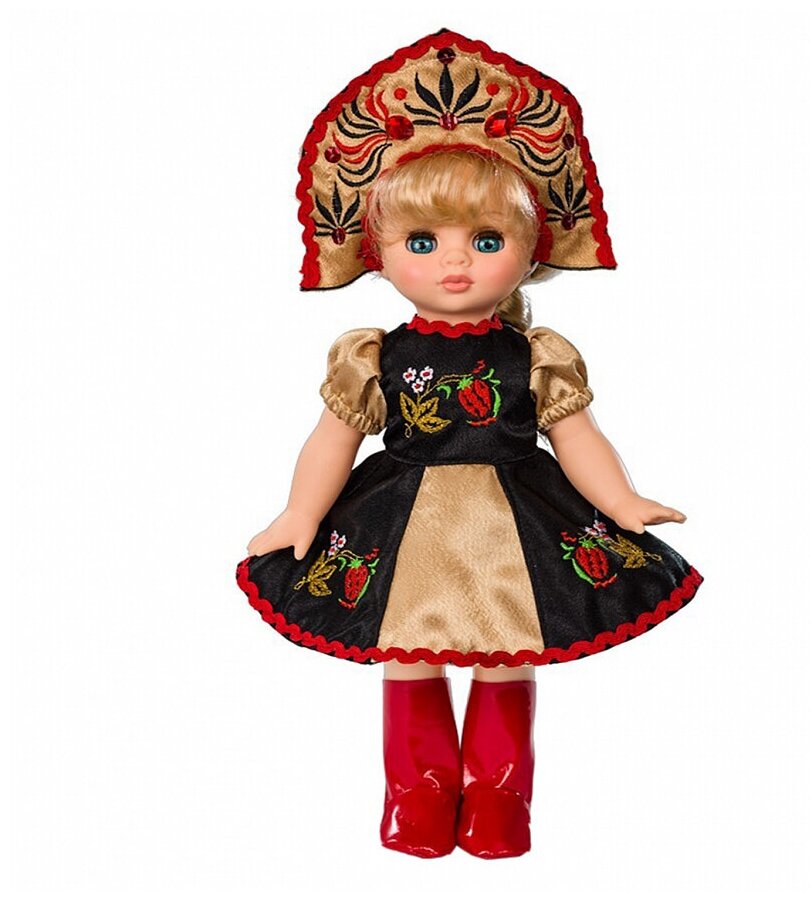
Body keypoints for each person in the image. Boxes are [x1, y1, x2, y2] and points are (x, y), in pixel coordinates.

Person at [236, 29, 703, 860]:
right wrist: (300, 513)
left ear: (531, 250)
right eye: (423, 243)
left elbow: (577, 435)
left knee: (506, 653)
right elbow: (333, 438)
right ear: (378, 254)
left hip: (516, 521)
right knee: (407, 655)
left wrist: (621, 500)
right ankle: (415, 793)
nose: (455, 263)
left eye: (486, 242)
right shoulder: (372, 354)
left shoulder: (537, 353)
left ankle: (500, 795)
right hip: (399, 516)